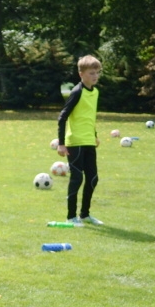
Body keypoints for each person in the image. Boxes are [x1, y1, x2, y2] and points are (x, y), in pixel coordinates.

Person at [56, 55, 104, 226]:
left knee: (93, 178)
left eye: (97, 72)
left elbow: (89, 117)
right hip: (75, 142)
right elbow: (62, 117)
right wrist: (61, 143)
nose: (95, 76)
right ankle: (71, 217)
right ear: (81, 74)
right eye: (91, 73)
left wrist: (95, 135)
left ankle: (85, 214)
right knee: (77, 178)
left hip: (89, 141)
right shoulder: (77, 92)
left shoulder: (96, 92)